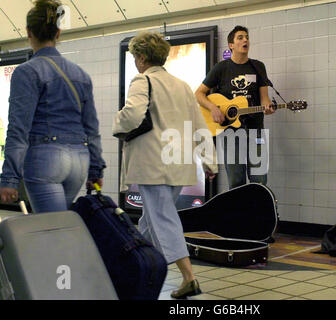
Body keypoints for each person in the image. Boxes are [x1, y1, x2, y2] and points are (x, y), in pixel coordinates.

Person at [113, 31, 217, 299]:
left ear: (143, 57)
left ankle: (188, 277)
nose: (135, 61)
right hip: (178, 163)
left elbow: (132, 114)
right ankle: (140, 268)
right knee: (149, 220)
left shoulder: (142, 80)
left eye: (136, 55)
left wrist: (117, 122)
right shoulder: (182, 85)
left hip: (153, 163)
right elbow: (199, 124)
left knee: (163, 218)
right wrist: (209, 159)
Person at [0, 0, 105, 212]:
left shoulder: (27, 71)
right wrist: (96, 170)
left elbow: (19, 128)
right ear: (58, 33)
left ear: (29, 32)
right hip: (79, 161)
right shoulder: (81, 75)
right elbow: (92, 129)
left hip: (46, 159)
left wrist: (9, 178)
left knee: (53, 228)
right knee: (60, 222)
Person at [195, 25, 275, 190]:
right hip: (230, 133)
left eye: (246, 37)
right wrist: (213, 108)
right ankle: (239, 215)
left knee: (259, 182)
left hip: (256, 131)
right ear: (231, 44)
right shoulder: (221, 68)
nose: (245, 40)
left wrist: (268, 107)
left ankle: (257, 216)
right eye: (240, 37)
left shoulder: (258, 67)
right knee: (236, 182)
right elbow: (199, 94)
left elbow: (264, 99)